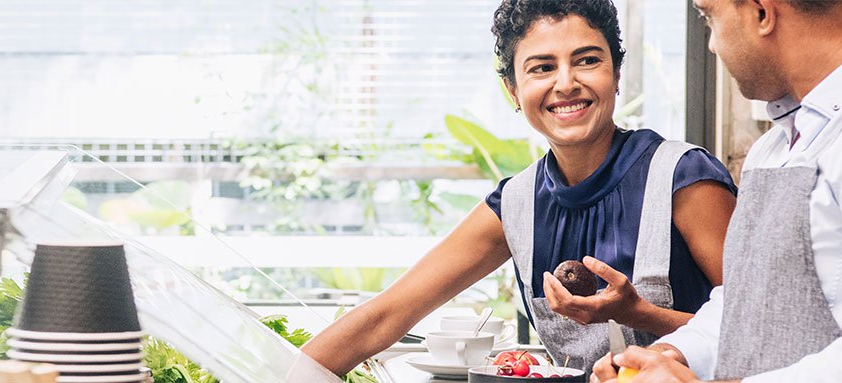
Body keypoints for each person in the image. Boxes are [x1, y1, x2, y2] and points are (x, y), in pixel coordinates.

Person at [301, 0, 740, 374]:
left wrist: (636, 313)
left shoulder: (683, 178)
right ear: (512, 89)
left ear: (616, 73)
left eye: (588, 60)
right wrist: (280, 373)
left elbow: (760, 328)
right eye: (542, 68)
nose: (566, 82)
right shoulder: (517, 203)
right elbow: (387, 315)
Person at [591, 0, 842, 382]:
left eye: (709, 16)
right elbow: (745, 308)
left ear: (761, 12)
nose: (714, 45)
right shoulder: (777, 146)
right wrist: (671, 355)